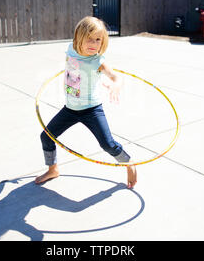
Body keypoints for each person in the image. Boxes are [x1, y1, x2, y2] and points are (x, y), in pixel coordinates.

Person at [35, 16, 137, 189]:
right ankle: (53, 169)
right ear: (78, 38)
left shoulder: (98, 61)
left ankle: (128, 162)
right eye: (89, 38)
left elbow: (115, 76)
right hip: (70, 109)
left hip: (91, 110)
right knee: (46, 136)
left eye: (98, 40)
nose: (94, 44)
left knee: (107, 144)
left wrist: (116, 84)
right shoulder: (70, 49)